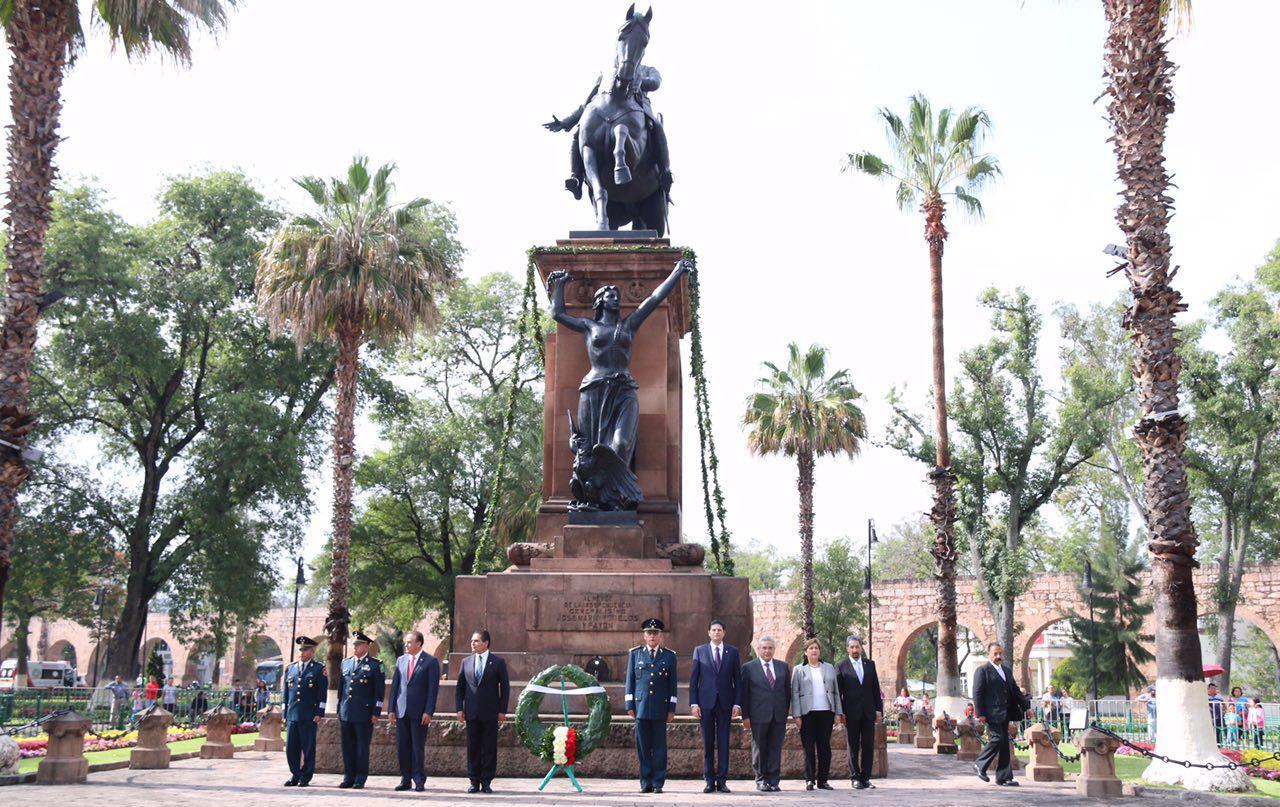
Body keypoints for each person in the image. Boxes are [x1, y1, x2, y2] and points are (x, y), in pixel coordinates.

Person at [625, 617, 678, 795]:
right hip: (640, 707)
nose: (652, 636)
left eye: (655, 633)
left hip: (660, 708)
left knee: (660, 748)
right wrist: (629, 704)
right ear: (644, 635)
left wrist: (671, 708)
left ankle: (658, 782)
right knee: (643, 748)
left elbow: (672, 684)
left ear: (660, 636)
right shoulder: (635, 654)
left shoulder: (669, 656)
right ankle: (645, 782)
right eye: (649, 633)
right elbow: (630, 681)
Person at [455, 629, 510, 794]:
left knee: (489, 748)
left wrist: (502, 710)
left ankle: (486, 781)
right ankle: (474, 780)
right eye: (472, 641)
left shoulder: (498, 662)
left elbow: (505, 688)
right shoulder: (465, 662)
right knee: (473, 748)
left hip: (490, 712)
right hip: (471, 713)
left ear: (486, 643)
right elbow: (460, 688)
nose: (473, 643)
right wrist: (459, 709)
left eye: (476, 641)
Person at [689, 619, 741, 793]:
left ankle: (722, 781)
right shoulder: (700, 651)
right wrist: (694, 703)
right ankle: (709, 780)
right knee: (708, 742)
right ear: (709, 632)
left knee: (724, 743)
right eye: (714, 630)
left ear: (724, 632)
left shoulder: (732, 652)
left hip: (726, 704)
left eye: (719, 630)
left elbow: (738, 680)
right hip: (705, 704)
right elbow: (694, 680)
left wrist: (737, 703)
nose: (716, 632)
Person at [972, 642, 1030, 787]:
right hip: (991, 713)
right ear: (988, 655)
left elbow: (1015, 691)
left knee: (1004, 743)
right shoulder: (982, 670)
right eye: (995, 654)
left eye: (1000, 653)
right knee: (997, 738)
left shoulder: (1006, 671)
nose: (998, 656)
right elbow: (977, 693)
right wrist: (980, 713)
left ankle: (1003, 777)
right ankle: (980, 764)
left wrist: (1026, 707)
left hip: (1006, 712)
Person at [390, 630, 441, 792]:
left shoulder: (430, 662)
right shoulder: (401, 660)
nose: (406, 645)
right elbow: (395, 686)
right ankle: (405, 779)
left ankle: (419, 779)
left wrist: (429, 711)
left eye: (409, 642)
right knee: (402, 747)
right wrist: (391, 709)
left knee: (417, 747)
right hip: (401, 710)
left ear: (418, 643)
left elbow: (433, 689)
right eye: (405, 642)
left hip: (419, 712)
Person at [739, 635, 790, 792]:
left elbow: (787, 692)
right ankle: (761, 779)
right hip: (758, 715)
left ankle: (774, 780)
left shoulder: (783, 667)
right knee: (760, 748)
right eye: (764, 648)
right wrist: (745, 716)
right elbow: (744, 694)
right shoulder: (749, 668)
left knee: (775, 748)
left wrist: (785, 712)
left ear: (774, 649)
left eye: (770, 648)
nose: (767, 651)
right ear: (759, 649)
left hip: (778, 715)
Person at [791, 637, 841, 791]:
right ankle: (810, 780)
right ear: (806, 652)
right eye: (811, 648)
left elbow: (836, 691)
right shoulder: (799, 669)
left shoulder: (829, 668)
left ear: (820, 651)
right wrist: (796, 715)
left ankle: (823, 780)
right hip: (807, 714)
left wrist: (838, 712)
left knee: (824, 747)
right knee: (808, 748)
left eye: (816, 648)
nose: (814, 650)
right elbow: (795, 693)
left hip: (826, 712)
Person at [338, 630, 385, 789]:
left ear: (366, 646)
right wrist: (339, 709)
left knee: (362, 748)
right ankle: (348, 777)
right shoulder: (346, 663)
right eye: (354, 644)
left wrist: (376, 712)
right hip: (346, 712)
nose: (355, 647)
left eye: (358, 644)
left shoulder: (375, 665)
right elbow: (341, 689)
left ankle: (360, 778)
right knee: (347, 747)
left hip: (364, 713)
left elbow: (379, 691)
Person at [835, 635, 882, 790]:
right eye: (852, 647)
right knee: (853, 746)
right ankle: (855, 777)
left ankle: (866, 778)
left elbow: (875, 688)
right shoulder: (841, 666)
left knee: (868, 745)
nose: (855, 649)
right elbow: (838, 692)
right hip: (850, 713)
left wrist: (878, 709)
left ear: (861, 648)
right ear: (847, 649)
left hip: (868, 712)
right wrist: (841, 712)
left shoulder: (870, 664)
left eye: (857, 646)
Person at [283, 636, 326, 788]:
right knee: (291, 748)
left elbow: (322, 693)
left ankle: (305, 777)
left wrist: (319, 712)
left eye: (305, 650)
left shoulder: (318, 669)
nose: (302, 652)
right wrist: (284, 714)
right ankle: (295, 774)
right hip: (292, 715)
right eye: (301, 649)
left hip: (309, 715)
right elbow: (286, 694)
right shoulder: (291, 668)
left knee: (308, 748)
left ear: (312, 652)